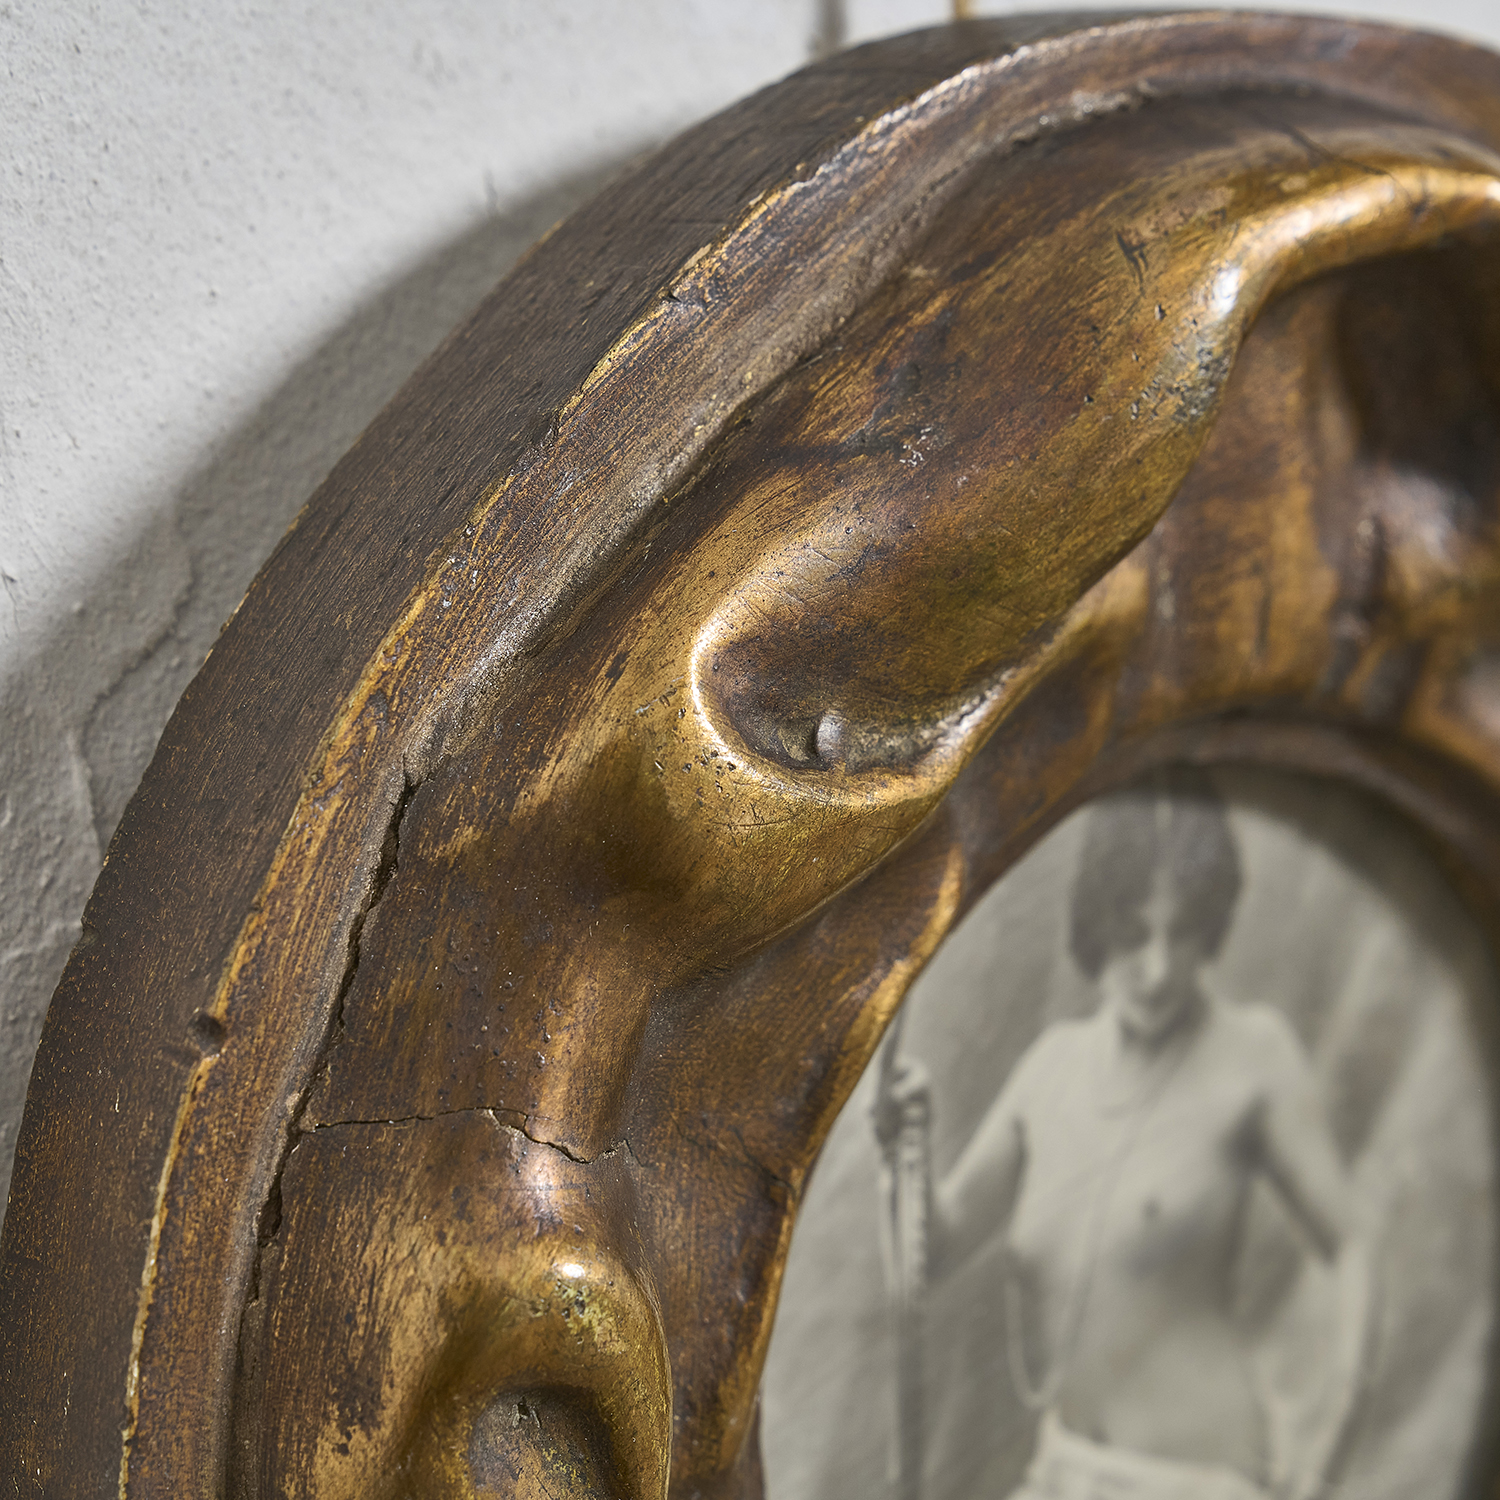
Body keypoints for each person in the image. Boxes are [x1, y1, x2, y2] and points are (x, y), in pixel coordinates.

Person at [877, 775, 1373, 1500]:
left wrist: (1324, 1454)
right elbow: (929, 1257)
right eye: (1135, 933)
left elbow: (1352, 1245)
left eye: (1184, 932)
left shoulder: (1253, 1054)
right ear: (1097, 925)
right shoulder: (1051, 1067)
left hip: (1194, 1478)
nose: (1159, 968)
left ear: (1211, 927)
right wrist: (908, 1149)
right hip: (1061, 1468)